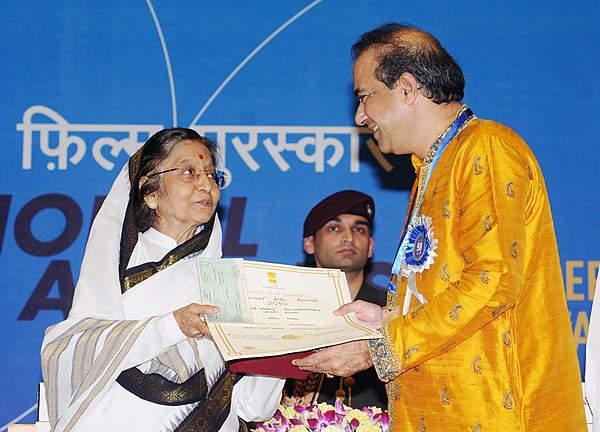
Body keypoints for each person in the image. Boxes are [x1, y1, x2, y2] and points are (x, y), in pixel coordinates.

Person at [294, 23, 587, 430]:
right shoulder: (432, 169)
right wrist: (386, 319)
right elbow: (440, 292)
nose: (360, 117)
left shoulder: (486, 147)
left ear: (408, 88)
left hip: (494, 412)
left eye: (364, 98)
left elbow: (493, 279)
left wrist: (379, 349)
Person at [41, 128, 284, 431]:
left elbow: (251, 406)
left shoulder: (227, 283)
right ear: (150, 192)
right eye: (189, 172)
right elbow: (69, 350)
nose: (206, 185)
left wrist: (282, 349)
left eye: (211, 175)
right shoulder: (117, 265)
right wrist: (173, 325)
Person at [281, 190, 387, 409]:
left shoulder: (391, 311)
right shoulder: (284, 310)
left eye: (359, 229)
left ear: (370, 246)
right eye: (334, 228)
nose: (349, 237)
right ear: (309, 243)